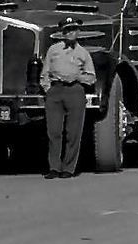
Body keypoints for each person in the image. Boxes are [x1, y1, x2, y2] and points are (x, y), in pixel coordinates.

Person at [41, 17, 99, 177]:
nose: (70, 33)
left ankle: (68, 168)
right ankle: (54, 167)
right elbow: (45, 73)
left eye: (73, 30)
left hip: (75, 91)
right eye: (67, 30)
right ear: (62, 33)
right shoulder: (53, 50)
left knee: (73, 133)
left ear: (78, 32)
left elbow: (92, 77)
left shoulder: (83, 53)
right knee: (54, 131)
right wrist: (48, 89)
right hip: (55, 91)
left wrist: (77, 77)